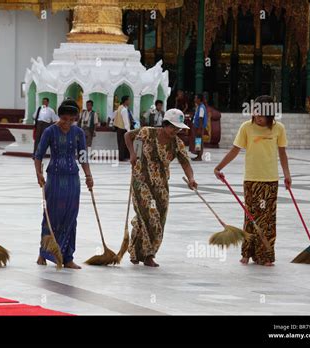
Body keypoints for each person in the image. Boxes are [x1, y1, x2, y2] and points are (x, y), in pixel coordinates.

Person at [214, 95, 291, 267]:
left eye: (262, 115)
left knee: (268, 219)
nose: (258, 117)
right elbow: (235, 150)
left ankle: (265, 255)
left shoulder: (279, 129)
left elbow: (283, 154)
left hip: (270, 180)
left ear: (271, 115)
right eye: (256, 113)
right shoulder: (246, 128)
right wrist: (219, 167)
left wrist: (287, 175)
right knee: (250, 216)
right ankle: (247, 253)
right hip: (251, 180)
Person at [124, 109, 198, 267]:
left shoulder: (177, 143)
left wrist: (191, 178)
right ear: (164, 124)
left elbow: (185, 162)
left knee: (157, 219)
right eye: (173, 127)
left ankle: (140, 252)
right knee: (151, 216)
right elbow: (128, 136)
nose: (175, 131)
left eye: (178, 128)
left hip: (161, 185)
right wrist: (132, 154)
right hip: (141, 181)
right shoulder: (147, 133)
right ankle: (147, 254)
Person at [34, 99, 94, 269]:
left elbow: (83, 157)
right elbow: (38, 155)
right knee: (51, 215)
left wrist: (88, 175)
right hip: (54, 177)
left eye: (71, 120)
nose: (67, 123)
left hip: (72, 178)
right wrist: (38, 173)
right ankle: (44, 253)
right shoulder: (49, 131)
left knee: (71, 216)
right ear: (59, 116)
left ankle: (67, 257)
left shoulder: (78, 133)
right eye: (64, 119)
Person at [113, 95, 136, 161]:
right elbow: (126, 121)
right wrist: (129, 131)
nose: (130, 101)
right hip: (123, 129)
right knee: (124, 144)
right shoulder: (124, 110)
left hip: (119, 129)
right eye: (129, 100)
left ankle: (122, 157)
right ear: (125, 101)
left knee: (121, 143)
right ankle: (123, 157)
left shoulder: (119, 108)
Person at [190, 93, 207, 161]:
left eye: (196, 98)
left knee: (199, 141)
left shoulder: (201, 108)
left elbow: (201, 118)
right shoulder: (199, 106)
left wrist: (199, 129)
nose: (195, 99)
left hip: (198, 127)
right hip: (197, 127)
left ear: (199, 99)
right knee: (198, 141)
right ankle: (198, 155)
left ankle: (199, 156)